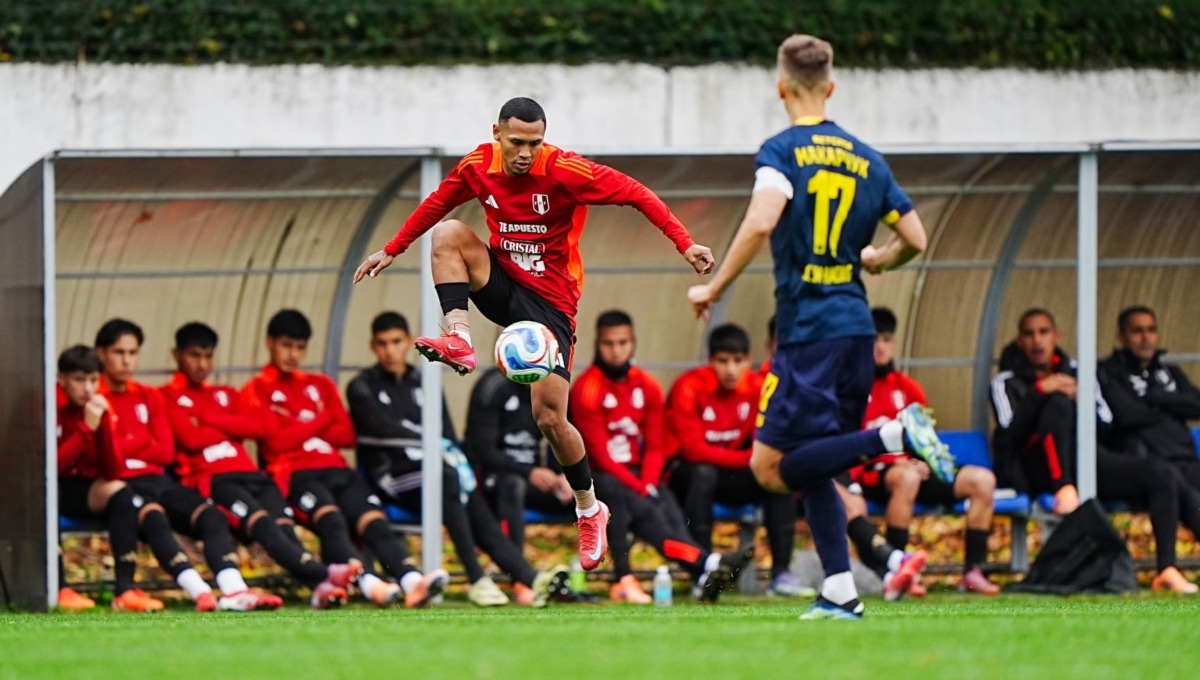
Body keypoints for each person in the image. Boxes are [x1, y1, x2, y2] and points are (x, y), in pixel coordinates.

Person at [353, 96, 716, 572]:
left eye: (535, 142)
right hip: (502, 284)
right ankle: (458, 334)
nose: (526, 152)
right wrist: (391, 249)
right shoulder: (478, 164)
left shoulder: (565, 170)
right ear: (497, 133)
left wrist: (684, 242)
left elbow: (635, 192)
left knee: (549, 418)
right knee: (447, 233)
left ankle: (589, 508)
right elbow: (436, 202)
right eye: (518, 142)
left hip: (551, 306)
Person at [686, 34, 952, 620]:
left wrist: (714, 287)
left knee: (770, 467)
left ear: (781, 87)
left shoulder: (781, 151)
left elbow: (760, 221)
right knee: (816, 464)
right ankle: (839, 588)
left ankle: (895, 436)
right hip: (855, 332)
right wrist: (880, 259)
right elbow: (915, 239)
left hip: (808, 334)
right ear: (830, 87)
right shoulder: (867, 158)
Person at [346, 312, 568, 607]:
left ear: (407, 342)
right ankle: (477, 579)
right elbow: (379, 428)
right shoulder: (361, 385)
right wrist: (427, 441)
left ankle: (530, 578)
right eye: (383, 343)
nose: (390, 350)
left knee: (462, 487)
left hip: (435, 472)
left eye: (396, 342)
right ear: (373, 346)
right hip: (392, 476)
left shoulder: (423, 381)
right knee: (448, 480)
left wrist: (448, 454)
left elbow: (447, 433)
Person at [241, 309, 448, 608]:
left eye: (300, 347)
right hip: (297, 476)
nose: (293, 354)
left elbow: (346, 436)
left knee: (375, 521)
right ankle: (368, 583)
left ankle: (412, 581)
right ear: (269, 342)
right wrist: (321, 418)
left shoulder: (321, 384)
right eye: (286, 345)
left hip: (338, 470)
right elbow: (274, 444)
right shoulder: (257, 389)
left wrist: (295, 425)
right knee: (333, 520)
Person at [992, 308, 1200, 593]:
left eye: (1043, 332)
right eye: (1029, 334)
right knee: (1057, 404)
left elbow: (1106, 422)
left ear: (1056, 336)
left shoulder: (1079, 371)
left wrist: (1081, 399)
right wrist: (1040, 392)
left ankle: (1166, 569)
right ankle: (1063, 486)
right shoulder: (1005, 381)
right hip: (1038, 469)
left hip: (1087, 462)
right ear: (1019, 341)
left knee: (1161, 473)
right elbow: (1009, 436)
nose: (1037, 341)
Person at [161, 322, 361, 609]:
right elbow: (190, 439)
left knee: (283, 524)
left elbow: (260, 425)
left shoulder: (227, 394)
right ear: (177, 355)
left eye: (208, 356)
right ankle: (326, 574)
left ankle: (320, 588)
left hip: (252, 475)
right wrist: (232, 426)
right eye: (194, 355)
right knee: (263, 523)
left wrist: (209, 419)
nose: (202, 364)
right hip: (215, 480)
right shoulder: (166, 396)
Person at [94, 318, 282, 612]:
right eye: (119, 352)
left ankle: (234, 591)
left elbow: (165, 451)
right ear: (101, 353)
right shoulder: (94, 399)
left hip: (158, 480)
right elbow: (105, 456)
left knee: (211, 516)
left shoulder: (149, 396)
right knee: (153, 517)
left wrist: (125, 442)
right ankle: (200, 592)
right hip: (120, 482)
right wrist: (141, 443)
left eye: (132, 353)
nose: (127, 360)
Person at [570, 310, 750, 603]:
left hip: (642, 474)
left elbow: (655, 445)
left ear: (633, 343)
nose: (616, 351)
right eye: (609, 343)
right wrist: (642, 488)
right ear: (597, 344)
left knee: (669, 514)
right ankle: (706, 565)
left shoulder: (648, 385)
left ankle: (702, 573)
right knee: (649, 516)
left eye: (623, 342)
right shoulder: (586, 389)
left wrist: (650, 482)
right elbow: (600, 456)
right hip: (602, 479)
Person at [848, 307, 999, 596]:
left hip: (914, 471)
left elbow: (925, 439)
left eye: (886, 339)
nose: (879, 346)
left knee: (983, 481)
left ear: (894, 342)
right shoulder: (853, 389)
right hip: (873, 473)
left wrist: (923, 462)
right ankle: (898, 572)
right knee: (906, 477)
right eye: (873, 339)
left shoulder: (908, 388)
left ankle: (972, 573)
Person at [664, 323, 802, 596]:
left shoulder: (758, 388)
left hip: (731, 474)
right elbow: (694, 451)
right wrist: (750, 459)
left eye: (738, 361)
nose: (730, 369)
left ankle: (781, 574)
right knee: (703, 473)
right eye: (723, 361)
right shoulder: (689, 387)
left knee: (777, 475)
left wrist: (758, 461)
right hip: (688, 478)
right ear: (710, 361)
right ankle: (701, 573)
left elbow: (767, 442)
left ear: (748, 361)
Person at [55, 345, 161, 612]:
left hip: (83, 488)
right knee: (43, 497)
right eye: (79, 380)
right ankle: (59, 587)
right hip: (49, 487)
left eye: (93, 380)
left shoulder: (96, 410)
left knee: (121, 492)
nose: (88, 389)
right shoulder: (49, 408)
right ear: (63, 380)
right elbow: (52, 467)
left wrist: (102, 427)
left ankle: (125, 590)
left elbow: (113, 470)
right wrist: (85, 431)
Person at [464, 366, 574, 554]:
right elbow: (481, 449)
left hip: (537, 479)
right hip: (494, 478)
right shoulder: (493, 386)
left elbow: (565, 438)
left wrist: (567, 474)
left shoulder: (552, 386)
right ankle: (519, 573)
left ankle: (616, 571)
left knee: (597, 486)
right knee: (513, 485)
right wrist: (529, 472)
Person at [1098, 305, 1200, 492]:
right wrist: (1175, 406)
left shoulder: (1170, 371)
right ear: (1121, 338)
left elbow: (1197, 405)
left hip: (1186, 458)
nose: (1146, 338)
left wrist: (1155, 397)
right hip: (1149, 464)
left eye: (1151, 330)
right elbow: (1127, 414)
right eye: (1138, 331)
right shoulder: (1108, 371)